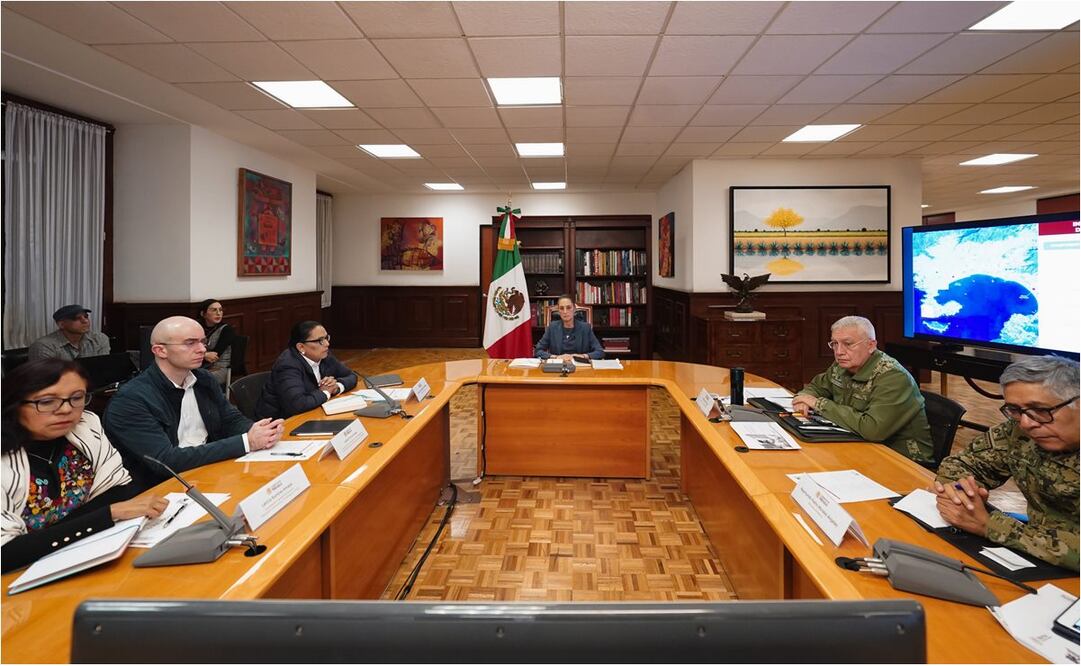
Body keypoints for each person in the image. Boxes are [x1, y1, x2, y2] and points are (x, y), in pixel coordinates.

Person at [2, 359, 168, 573]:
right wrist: (106, 515)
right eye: (46, 401)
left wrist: (47, 536)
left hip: (80, 556)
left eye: (76, 398)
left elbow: (119, 490)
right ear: (13, 404)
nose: (65, 410)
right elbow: (5, 554)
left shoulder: (85, 428)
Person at [933, 356, 1078, 571]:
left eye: (1040, 410)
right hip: (1036, 558)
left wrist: (990, 525)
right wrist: (963, 493)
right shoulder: (1018, 430)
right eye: (1016, 410)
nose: (1027, 423)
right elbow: (960, 464)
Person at [104, 316, 284, 489]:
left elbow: (230, 419)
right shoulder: (131, 400)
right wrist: (246, 442)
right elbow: (164, 461)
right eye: (190, 343)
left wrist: (258, 431)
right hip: (160, 487)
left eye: (203, 342)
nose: (202, 349)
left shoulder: (203, 379)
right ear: (160, 350)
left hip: (208, 470)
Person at [792, 315, 932, 463]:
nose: (839, 351)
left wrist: (819, 404)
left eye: (848, 344)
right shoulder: (843, 364)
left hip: (902, 460)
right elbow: (816, 387)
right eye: (834, 343)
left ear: (871, 345)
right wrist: (804, 400)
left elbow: (873, 429)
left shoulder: (893, 377)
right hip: (857, 444)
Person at [255, 321, 358, 420]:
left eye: (327, 338)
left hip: (312, 412)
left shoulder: (324, 355)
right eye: (320, 341)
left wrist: (336, 387)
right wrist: (326, 392)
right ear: (301, 347)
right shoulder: (287, 365)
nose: (327, 344)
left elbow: (351, 376)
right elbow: (297, 404)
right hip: (281, 424)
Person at [27, 305, 111, 362]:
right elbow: (45, 380)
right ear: (62, 324)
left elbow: (103, 368)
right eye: (77, 318)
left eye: (86, 316)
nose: (85, 321)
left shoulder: (99, 338)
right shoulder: (43, 346)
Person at [533, 295, 604, 362]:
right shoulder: (552, 327)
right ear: (558, 311)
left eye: (568, 307)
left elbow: (600, 352)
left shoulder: (585, 328)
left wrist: (582, 356)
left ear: (574, 309)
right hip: (557, 367)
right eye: (561, 308)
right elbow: (538, 351)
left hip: (580, 368)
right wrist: (556, 357)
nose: (565, 312)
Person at [197, 299, 236, 387]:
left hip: (219, 367)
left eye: (220, 310)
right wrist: (205, 355)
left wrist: (203, 355)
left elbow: (214, 357)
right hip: (198, 365)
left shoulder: (227, 330)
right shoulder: (197, 328)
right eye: (214, 310)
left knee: (195, 379)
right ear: (203, 314)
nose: (218, 313)